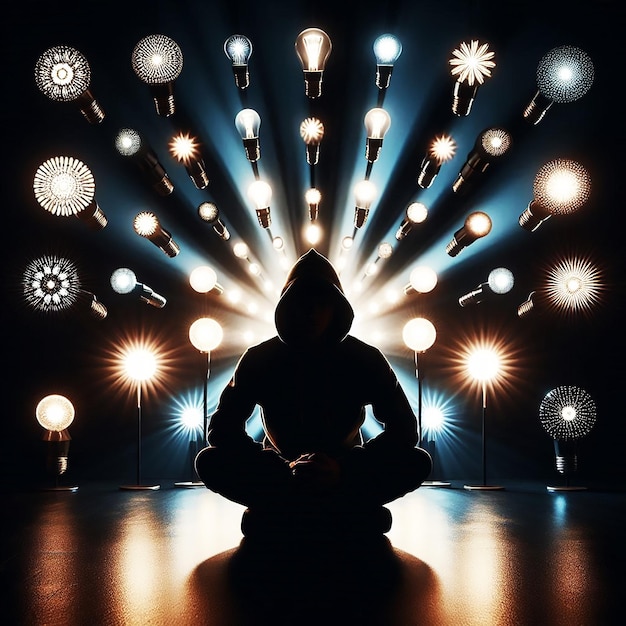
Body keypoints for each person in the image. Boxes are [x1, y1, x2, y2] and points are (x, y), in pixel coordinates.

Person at [195, 248, 432, 540]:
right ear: (286, 306)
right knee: (208, 460)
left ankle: (284, 514)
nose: (310, 312)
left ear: (336, 307)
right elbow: (221, 432)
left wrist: (343, 469)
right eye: (301, 302)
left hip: (342, 475)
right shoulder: (260, 358)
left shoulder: (365, 358)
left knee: (418, 461)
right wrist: (283, 469)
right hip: (282, 476)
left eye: (320, 302)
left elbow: (405, 432)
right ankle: (347, 514)